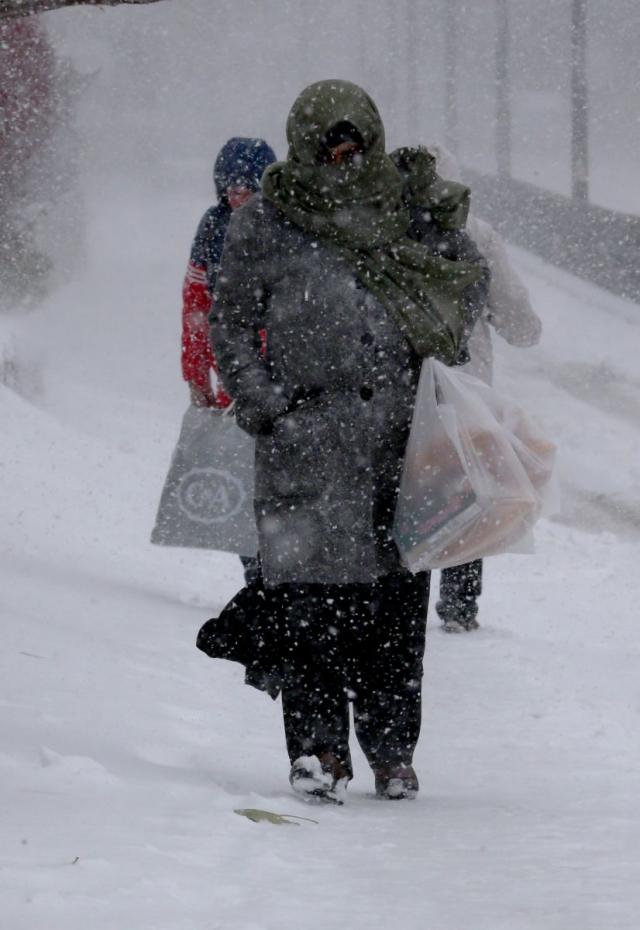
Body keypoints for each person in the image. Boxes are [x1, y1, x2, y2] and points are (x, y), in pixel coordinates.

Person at [211, 80, 490, 803]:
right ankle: (318, 753)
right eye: (327, 148)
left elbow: (461, 286)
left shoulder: (403, 211)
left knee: (396, 610)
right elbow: (231, 323)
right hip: (301, 448)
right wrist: (265, 405)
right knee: (306, 605)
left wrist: (438, 208)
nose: (342, 161)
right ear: (302, 146)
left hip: (397, 446)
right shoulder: (266, 223)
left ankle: (393, 751)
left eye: (354, 147)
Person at [428, 144, 543, 634]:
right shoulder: (477, 237)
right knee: (464, 491)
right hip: (464, 389)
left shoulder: (379, 230)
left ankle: (390, 599)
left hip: (398, 388)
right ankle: (458, 604)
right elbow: (519, 324)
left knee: (399, 489)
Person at [181, 136, 276, 584]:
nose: (238, 196)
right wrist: (197, 376)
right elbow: (195, 307)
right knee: (240, 475)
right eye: (232, 187)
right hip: (233, 380)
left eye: (249, 187)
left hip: (282, 379)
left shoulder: (280, 227)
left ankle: (279, 567)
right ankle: (257, 572)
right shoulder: (214, 228)